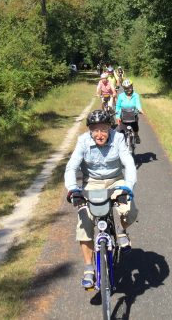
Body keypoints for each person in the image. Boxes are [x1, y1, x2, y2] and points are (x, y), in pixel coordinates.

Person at [64, 110, 138, 289]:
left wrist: (127, 186)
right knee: (84, 222)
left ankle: (121, 230)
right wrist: (73, 189)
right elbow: (71, 167)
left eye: (103, 129)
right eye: (95, 130)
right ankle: (89, 267)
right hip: (92, 183)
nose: (99, 134)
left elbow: (128, 163)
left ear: (110, 128)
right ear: (89, 130)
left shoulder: (118, 138)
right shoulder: (83, 141)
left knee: (129, 210)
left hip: (116, 180)